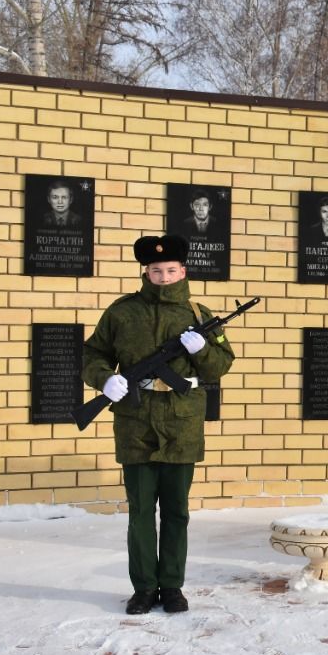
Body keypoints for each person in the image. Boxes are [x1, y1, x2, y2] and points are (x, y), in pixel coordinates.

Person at [81, 234, 235, 615]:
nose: (164, 276)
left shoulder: (199, 315)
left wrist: (204, 350)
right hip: (136, 422)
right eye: (156, 270)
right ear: (145, 272)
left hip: (182, 422)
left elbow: (221, 366)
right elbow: (92, 354)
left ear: (183, 270)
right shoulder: (122, 312)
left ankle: (173, 586)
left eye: (171, 270)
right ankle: (144, 588)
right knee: (140, 512)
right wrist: (104, 380)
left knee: (177, 512)